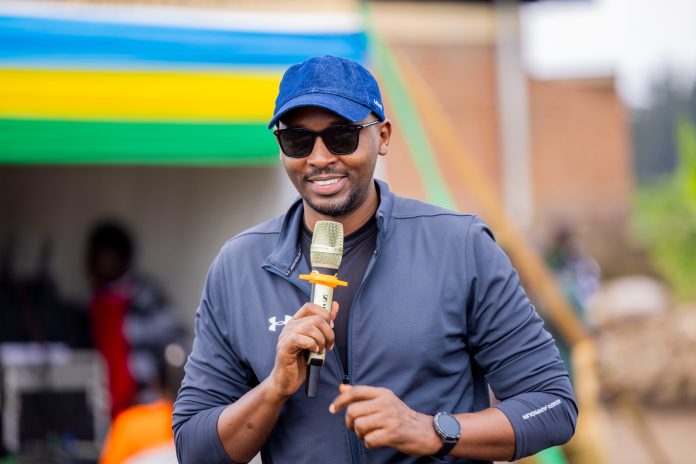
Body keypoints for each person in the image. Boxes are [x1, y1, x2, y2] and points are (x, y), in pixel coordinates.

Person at [173, 55, 577, 464]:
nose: (319, 157)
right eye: (297, 139)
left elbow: (552, 406)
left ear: (383, 137)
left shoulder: (460, 246)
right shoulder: (239, 266)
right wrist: (273, 389)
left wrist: (433, 430)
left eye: (342, 136)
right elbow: (194, 447)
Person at [86, 221, 186, 417]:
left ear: (123, 257)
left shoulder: (145, 295)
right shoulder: (93, 302)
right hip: (103, 408)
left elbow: (177, 344)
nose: (96, 263)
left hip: (144, 405)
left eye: (105, 256)